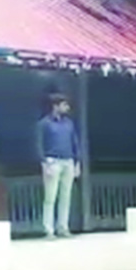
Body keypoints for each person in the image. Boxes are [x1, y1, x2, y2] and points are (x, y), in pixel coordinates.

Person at [35, 92, 81, 239]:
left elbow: (75, 143)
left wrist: (77, 162)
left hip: (68, 161)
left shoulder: (69, 123)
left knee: (65, 197)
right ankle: (48, 229)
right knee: (50, 197)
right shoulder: (44, 123)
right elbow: (39, 144)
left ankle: (63, 227)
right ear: (55, 106)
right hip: (52, 161)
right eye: (64, 105)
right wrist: (44, 162)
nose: (67, 108)